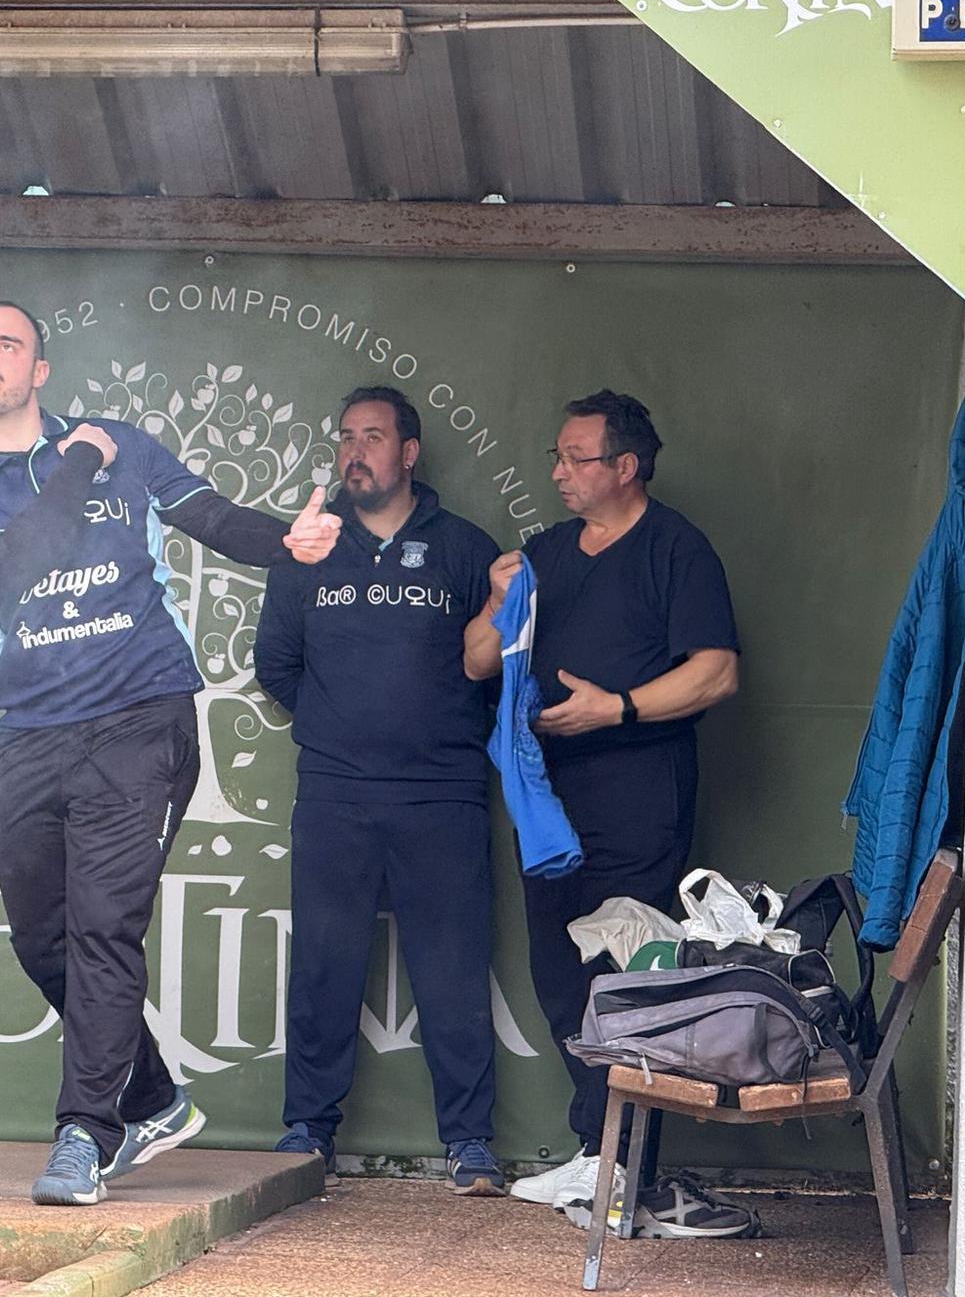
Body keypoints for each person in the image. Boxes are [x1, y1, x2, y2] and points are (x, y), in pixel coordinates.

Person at [0, 300, 342, 1206]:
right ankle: (148, 1099)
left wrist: (288, 543)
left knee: (104, 925)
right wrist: (76, 463)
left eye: (7, 345)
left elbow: (216, 519)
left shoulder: (121, 446)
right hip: (28, 732)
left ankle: (84, 1134)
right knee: (41, 944)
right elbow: (13, 563)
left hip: (140, 718)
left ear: (41, 371)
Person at [467, 390, 744, 1235]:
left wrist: (616, 707)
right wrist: (492, 596)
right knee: (559, 972)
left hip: (637, 786)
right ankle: (600, 1156)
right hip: (548, 796)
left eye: (575, 459)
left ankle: (627, 1168)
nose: (558, 473)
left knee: (625, 977)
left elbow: (717, 673)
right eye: (556, 456)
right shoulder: (546, 551)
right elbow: (480, 660)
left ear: (624, 467)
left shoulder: (676, 549)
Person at [254, 386, 507, 1194]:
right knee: (324, 967)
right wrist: (340, 728)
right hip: (334, 793)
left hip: (443, 794)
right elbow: (276, 665)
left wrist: (429, 730)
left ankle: (469, 1143)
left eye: (372, 437)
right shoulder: (308, 552)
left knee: (453, 971)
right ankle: (307, 1132)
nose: (354, 452)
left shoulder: (466, 550)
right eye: (345, 439)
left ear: (409, 453)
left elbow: (499, 665)